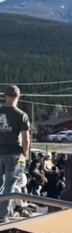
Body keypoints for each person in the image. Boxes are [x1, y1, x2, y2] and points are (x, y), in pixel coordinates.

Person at [0, 85, 31, 222]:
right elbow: (26, 140)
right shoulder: (21, 115)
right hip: (13, 153)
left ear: (5, 96)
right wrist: (26, 154)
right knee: (10, 185)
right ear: (18, 97)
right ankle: (2, 215)